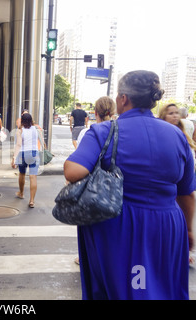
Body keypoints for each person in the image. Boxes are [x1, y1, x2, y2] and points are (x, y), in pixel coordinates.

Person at [64, 70, 196, 300]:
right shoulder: (177, 136)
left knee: (119, 289)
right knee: (161, 288)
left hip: (117, 224)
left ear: (123, 98)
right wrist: (189, 230)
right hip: (167, 224)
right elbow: (186, 193)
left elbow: (73, 171)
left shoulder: (104, 131)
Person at [73, 96, 116, 266]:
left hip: (91, 185)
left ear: (95, 113)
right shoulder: (119, 131)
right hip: (111, 185)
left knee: (89, 224)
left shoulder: (88, 132)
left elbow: (78, 163)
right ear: (113, 112)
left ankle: (84, 257)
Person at [11, 113, 44, 208]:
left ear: (22, 121)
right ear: (31, 120)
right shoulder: (36, 129)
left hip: (22, 154)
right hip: (34, 153)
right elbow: (42, 141)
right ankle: (32, 200)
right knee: (33, 177)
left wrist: (14, 158)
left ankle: (21, 193)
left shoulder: (20, 130)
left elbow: (18, 145)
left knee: (22, 174)